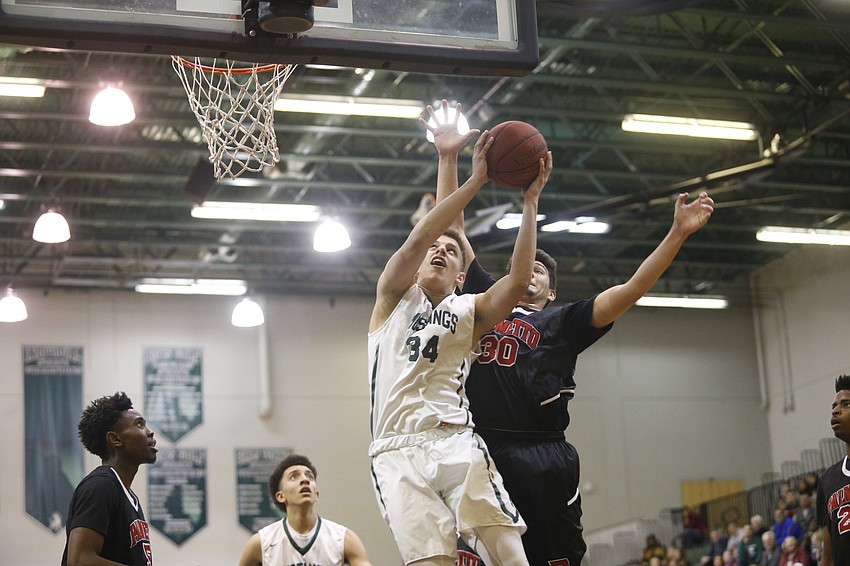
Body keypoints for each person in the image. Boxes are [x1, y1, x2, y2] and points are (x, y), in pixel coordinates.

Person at [428, 100, 714, 566]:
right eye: (527, 266)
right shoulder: (485, 301)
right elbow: (451, 227)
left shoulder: (564, 323)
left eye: (541, 270)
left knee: (554, 556)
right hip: (484, 447)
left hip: (545, 453)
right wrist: (449, 157)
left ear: (552, 289)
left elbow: (632, 288)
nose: (531, 272)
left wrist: (677, 234)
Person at [368, 109, 548, 566]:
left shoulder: (470, 309)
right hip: (395, 448)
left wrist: (530, 203)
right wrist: (467, 175)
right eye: (434, 249)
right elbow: (427, 231)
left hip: (455, 439)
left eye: (451, 251)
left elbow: (518, 278)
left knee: (510, 552)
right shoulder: (393, 296)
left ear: (461, 274)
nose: (440, 251)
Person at [61, 391, 158, 565]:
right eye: (139, 425)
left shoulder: (127, 495)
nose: (150, 432)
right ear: (115, 439)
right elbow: (79, 560)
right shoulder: (101, 486)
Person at [238, 454, 371, 566]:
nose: (305, 480)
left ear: (317, 494)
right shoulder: (261, 542)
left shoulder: (344, 538)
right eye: (294, 477)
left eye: (310, 476)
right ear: (280, 496)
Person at [817, 374, 850, 566]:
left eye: (846, 404)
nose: (836, 411)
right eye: (834, 406)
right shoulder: (828, 480)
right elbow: (827, 557)